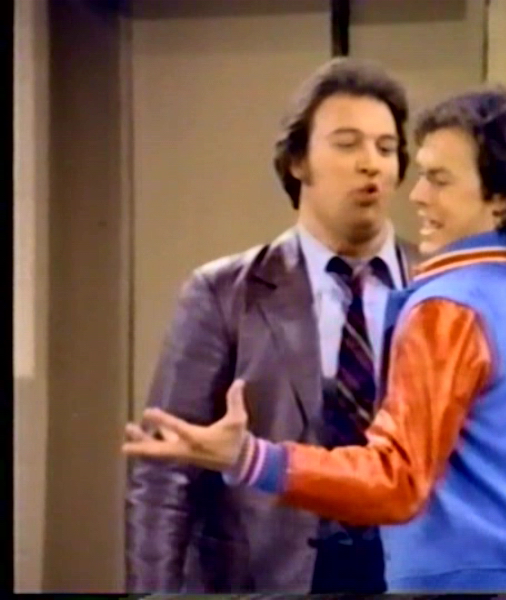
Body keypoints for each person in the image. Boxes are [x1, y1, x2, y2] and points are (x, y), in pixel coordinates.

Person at [123, 86, 506, 593]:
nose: (415, 194)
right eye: (348, 144)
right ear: (298, 161)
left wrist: (252, 458)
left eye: (437, 179)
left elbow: (397, 479)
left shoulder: (448, 307)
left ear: (502, 198)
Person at [125, 57, 419, 594]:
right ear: (298, 161)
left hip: (410, 570)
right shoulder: (224, 293)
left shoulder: (440, 289)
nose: (371, 164)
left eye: (386, 147)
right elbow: (165, 471)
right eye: (347, 144)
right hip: (268, 575)